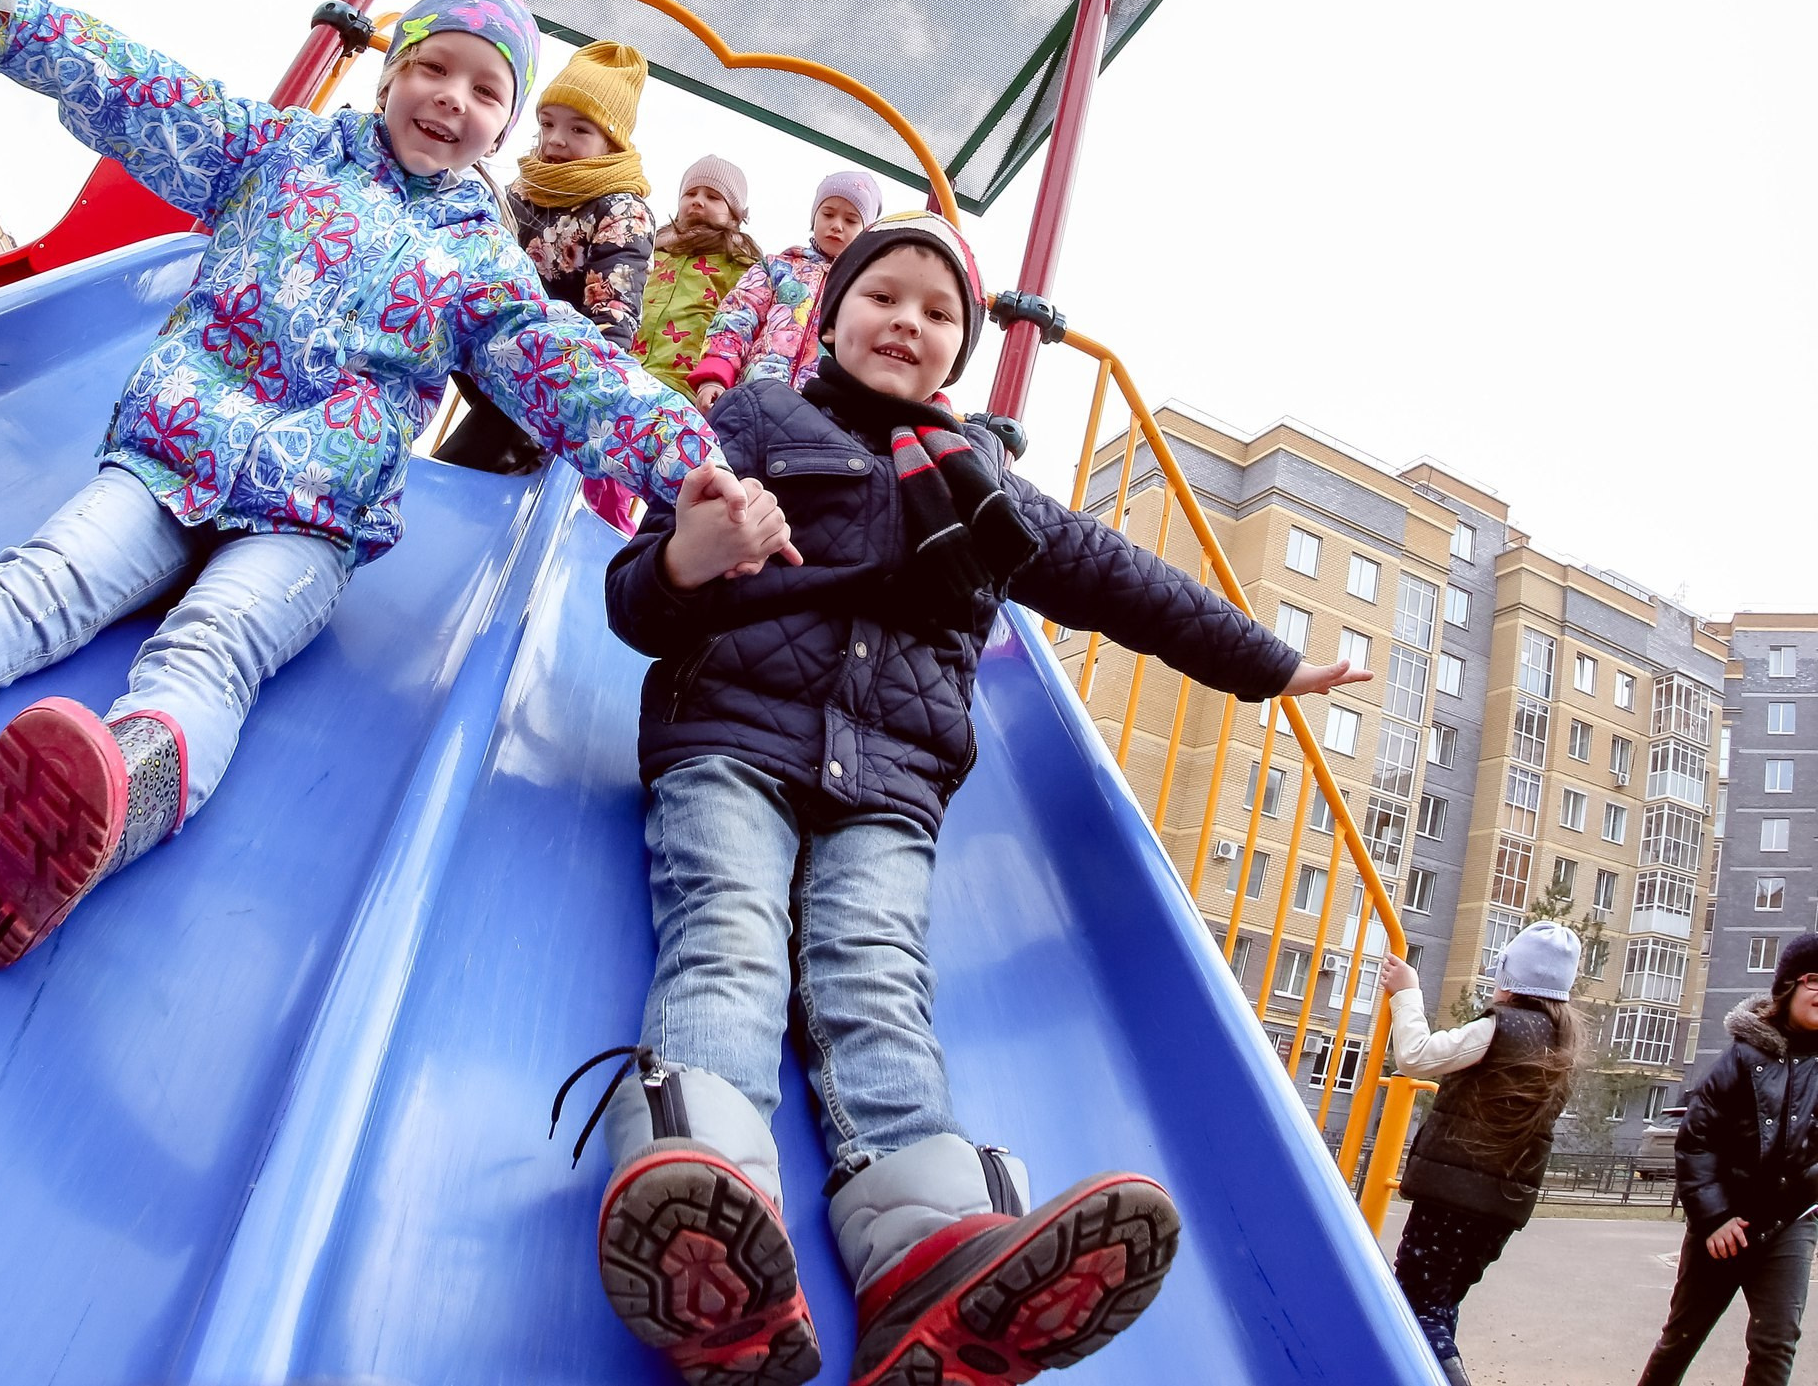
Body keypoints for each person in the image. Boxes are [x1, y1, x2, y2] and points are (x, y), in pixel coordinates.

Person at [0, 0, 794, 969]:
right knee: (42, 580)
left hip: (310, 516)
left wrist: (690, 459)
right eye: (432, 67)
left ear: (503, 128)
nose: (450, 99)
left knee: (212, 649)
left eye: (484, 89)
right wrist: (14, 24)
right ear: (390, 74)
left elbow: (569, 369)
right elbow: (152, 97)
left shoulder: (482, 264)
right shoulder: (281, 154)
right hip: (174, 448)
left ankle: (96, 815)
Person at [564, 211, 1368, 1385]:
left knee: (874, 979)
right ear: (829, 315)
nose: (908, 322)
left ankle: (929, 1255)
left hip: (890, 782)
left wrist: (1269, 663)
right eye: (882, 296)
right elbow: (635, 598)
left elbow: (1123, 581)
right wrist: (692, 553)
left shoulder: (982, 483)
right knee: (729, 932)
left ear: (961, 349)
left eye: (939, 312)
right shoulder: (755, 422)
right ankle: (707, 1199)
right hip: (733, 739)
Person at [435, 39, 656, 486]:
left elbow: (613, 313)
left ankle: (461, 478)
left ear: (611, 142)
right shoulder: (524, 189)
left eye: (579, 130)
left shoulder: (620, 210)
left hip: (551, 364)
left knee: (490, 440)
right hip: (486, 337)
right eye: (548, 123)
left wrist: (586, 387)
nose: (555, 139)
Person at [1378, 921, 1583, 1385]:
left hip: (1453, 1198)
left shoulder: (1500, 1028)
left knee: (1417, 1304)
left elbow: (1417, 1056)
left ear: (1510, 978)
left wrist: (1406, 992)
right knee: (1440, 1304)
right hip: (1499, 1210)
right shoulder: (1561, 1042)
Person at [1638, 933, 1818, 1386]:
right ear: (1788, 985)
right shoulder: (1743, 1057)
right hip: (1723, 1228)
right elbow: (1697, 1141)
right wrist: (1714, 1217)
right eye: (1815, 980)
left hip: (1790, 1223)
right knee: (1681, 1338)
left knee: (1776, 1344)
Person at [688, 169, 879, 408]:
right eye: (828, 214)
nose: (837, 226)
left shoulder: (863, 288)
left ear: (865, 231)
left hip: (819, 412)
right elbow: (737, 317)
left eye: (851, 220)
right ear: (814, 218)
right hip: (752, 398)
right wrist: (715, 374)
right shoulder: (777, 267)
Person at [633, 154, 763, 399]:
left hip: (685, 386)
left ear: (734, 214)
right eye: (690, 194)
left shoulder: (742, 266)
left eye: (713, 197)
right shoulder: (649, 249)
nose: (698, 201)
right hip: (626, 368)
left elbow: (740, 326)